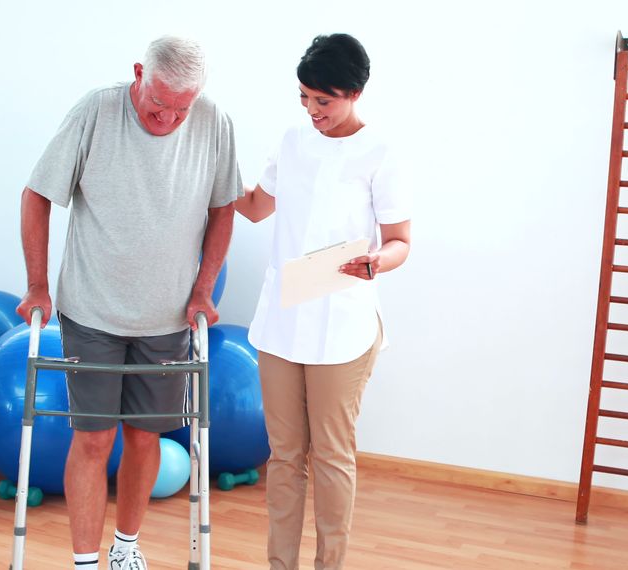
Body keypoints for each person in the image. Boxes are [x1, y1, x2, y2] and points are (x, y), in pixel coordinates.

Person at [16, 36, 241, 570]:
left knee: (145, 440)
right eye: (158, 105)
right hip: (92, 310)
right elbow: (37, 194)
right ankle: (85, 561)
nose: (167, 119)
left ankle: (126, 548)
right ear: (139, 73)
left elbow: (224, 209)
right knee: (93, 441)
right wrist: (37, 285)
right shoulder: (97, 110)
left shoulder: (214, 122)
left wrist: (204, 289)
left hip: (165, 317)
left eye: (180, 109)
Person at [234, 33, 412, 570]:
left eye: (324, 101)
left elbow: (401, 241)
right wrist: (204, 169)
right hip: (284, 319)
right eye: (305, 98)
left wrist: (377, 261)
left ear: (354, 92)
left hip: (344, 322)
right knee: (285, 457)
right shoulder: (292, 141)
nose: (313, 111)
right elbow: (254, 208)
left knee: (332, 455)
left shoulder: (380, 152)